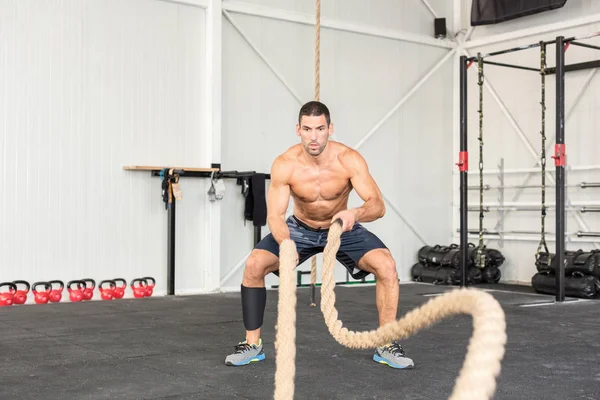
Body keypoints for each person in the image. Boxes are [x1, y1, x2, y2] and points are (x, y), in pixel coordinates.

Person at [225, 101, 414, 369]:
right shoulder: (285, 164)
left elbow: (377, 205)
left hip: (341, 227)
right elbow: (276, 217)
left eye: (320, 129)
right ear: (298, 129)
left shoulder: (349, 160)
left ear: (330, 128)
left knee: (387, 265)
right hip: (300, 229)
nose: (314, 136)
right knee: (254, 265)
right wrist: (286, 243)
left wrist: (354, 214)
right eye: (307, 129)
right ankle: (252, 345)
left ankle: (386, 344)